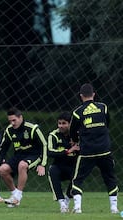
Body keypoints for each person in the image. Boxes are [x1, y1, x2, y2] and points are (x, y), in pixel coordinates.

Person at [69, 83, 119, 214]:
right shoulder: (103, 107)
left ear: (81, 96)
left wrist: (75, 141)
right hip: (104, 149)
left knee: (78, 179)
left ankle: (78, 208)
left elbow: (72, 131)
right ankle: (114, 208)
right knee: (110, 177)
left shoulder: (77, 112)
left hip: (87, 151)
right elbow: (107, 123)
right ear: (94, 94)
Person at [0, 107, 47, 207]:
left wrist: (42, 164)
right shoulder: (9, 130)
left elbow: (44, 145)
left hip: (34, 155)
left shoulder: (32, 128)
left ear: (20, 117)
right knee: (2, 169)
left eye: (14, 120)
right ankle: (15, 195)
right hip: (19, 155)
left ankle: (18, 196)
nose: (12, 123)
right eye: (10, 121)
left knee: (22, 165)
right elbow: (3, 148)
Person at [47, 111, 79, 213]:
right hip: (59, 166)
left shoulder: (77, 135)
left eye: (64, 123)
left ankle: (67, 199)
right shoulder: (53, 135)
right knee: (52, 170)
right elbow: (50, 152)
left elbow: (84, 148)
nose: (61, 126)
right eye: (59, 123)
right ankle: (62, 203)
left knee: (78, 174)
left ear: (70, 124)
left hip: (73, 167)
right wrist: (68, 151)